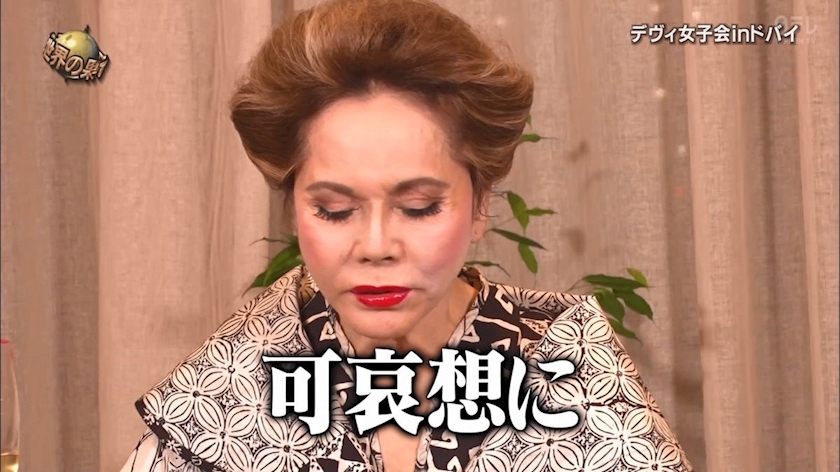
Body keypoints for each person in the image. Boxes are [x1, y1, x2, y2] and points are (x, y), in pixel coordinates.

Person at [119, 0, 694, 471]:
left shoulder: (570, 375)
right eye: (334, 210)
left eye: (418, 208)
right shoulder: (227, 389)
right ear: (294, 210)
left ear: (480, 205)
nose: (375, 245)